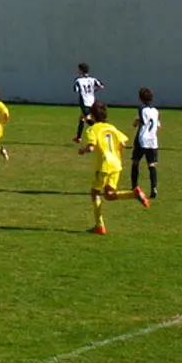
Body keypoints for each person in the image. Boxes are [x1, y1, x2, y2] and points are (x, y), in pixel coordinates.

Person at [78, 101, 150, 234]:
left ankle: (99, 226)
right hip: (116, 164)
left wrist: (83, 150)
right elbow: (122, 143)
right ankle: (133, 194)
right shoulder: (112, 127)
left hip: (104, 165)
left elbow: (91, 147)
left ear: (92, 116)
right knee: (109, 195)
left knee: (95, 193)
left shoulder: (92, 129)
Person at [131, 87, 160, 199]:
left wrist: (135, 122)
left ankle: (134, 187)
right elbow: (158, 126)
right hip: (153, 140)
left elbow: (138, 122)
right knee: (151, 165)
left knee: (135, 162)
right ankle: (154, 188)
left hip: (142, 139)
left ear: (140, 98)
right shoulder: (156, 111)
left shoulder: (141, 109)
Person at [71, 62, 105, 143]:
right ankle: (78, 138)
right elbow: (102, 87)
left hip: (85, 102)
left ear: (81, 71)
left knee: (88, 119)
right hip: (93, 102)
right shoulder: (93, 79)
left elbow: (76, 90)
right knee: (82, 118)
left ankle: (100, 132)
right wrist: (92, 92)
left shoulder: (78, 80)